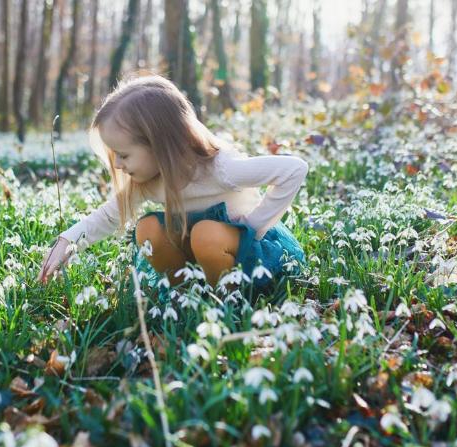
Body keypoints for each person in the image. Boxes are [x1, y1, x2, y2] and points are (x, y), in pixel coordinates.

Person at [38, 74, 307, 292]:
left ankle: (227, 300)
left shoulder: (220, 167)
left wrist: (253, 227)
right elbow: (107, 217)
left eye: (124, 155)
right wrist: (67, 241)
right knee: (148, 229)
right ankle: (184, 296)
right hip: (197, 255)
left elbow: (294, 170)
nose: (118, 165)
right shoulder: (146, 181)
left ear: (160, 145)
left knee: (206, 235)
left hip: (248, 258)